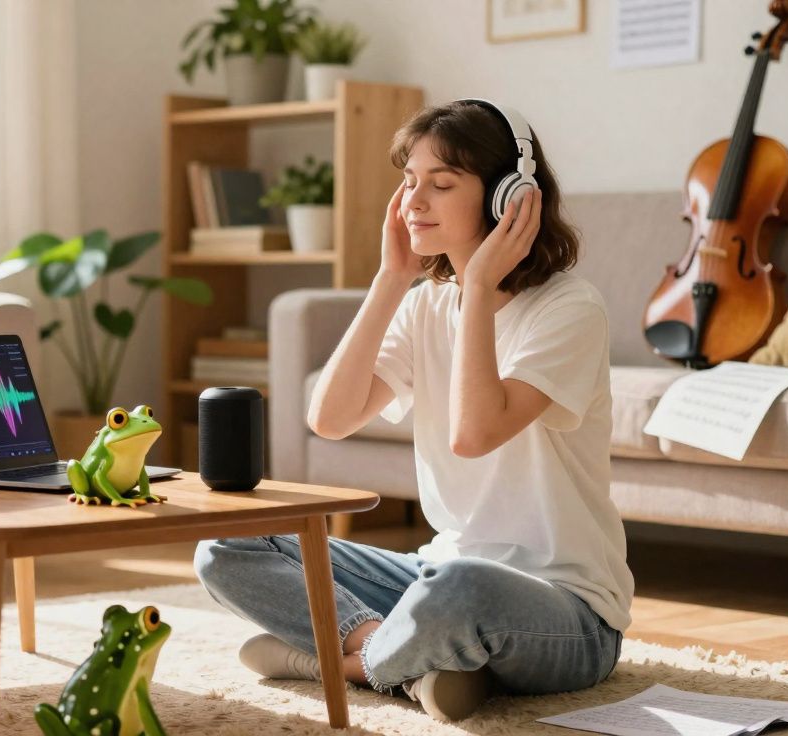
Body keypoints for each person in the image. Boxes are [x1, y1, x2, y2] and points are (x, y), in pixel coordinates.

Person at [193, 99, 634, 722]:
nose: (413, 202)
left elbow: (473, 434)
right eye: (409, 183)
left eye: (441, 184)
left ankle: (336, 663)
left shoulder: (570, 309)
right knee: (227, 545)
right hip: (435, 574)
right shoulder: (426, 303)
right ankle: (411, 661)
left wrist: (479, 289)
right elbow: (331, 419)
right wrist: (390, 278)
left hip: (566, 611)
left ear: (509, 199)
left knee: (461, 590)